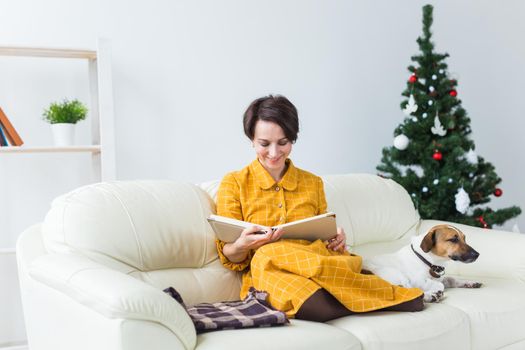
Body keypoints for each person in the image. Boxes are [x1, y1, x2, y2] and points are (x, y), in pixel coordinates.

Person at [216, 95, 423, 322]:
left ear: (293, 139)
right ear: (252, 141)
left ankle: (354, 297)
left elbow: (323, 240)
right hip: (270, 273)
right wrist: (243, 245)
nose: (274, 153)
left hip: (317, 263)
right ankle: (372, 296)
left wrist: (335, 240)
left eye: (283, 142)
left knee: (311, 270)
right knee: (267, 255)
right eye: (264, 144)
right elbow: (230, 254)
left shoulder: (312, 183)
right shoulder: (234, 183)